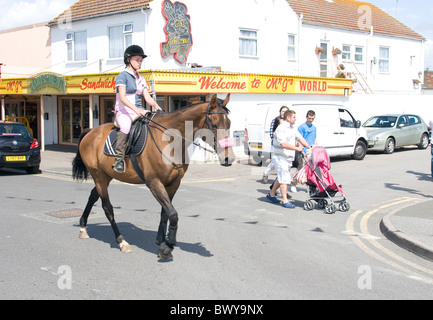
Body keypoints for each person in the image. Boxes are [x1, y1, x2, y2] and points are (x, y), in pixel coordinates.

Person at [113, 45, 162, 173]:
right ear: (129, 60)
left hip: (140, 110)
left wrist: (157, 106)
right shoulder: (122, 76)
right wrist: (136, 109)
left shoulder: (141, 78)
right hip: (124, 110)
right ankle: (119, 159)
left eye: (141, 60)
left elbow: (147, 98)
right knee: (126, 127)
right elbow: (123, 98)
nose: (140, 63)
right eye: (137, 60)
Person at [267, 109, 311, 208]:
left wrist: (310, 148)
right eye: (294, 117)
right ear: (288, 118)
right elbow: (283, 144)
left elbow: (300, 138)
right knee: (284, 178)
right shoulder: (281, 128)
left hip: (287, 157)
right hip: (279, 156)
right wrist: (297, 148)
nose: (296, 119)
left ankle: (271, 194)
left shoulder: (292, 128)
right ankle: (284, 200)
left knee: (282, 177)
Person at [291, 110, 318, 192]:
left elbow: (314, 139)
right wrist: (300, 149)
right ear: (306, 117)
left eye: (312, 118)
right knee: (301, 168)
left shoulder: (314, 128)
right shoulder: (302, 127)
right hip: (303, 151)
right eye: (309, 118)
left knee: (311, 170)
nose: (311, 120)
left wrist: (316, 148)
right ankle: (293, 183)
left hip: (311, 151)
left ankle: (311, 187)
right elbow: (298, 139)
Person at [262, 105, 289, 183]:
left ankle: (280, 179)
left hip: (286, 145)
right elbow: (272, 134)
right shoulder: (276, 120)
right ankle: (267, 174)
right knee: (275, 162)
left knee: (282, 163)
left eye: (286, 111)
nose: (284, 113)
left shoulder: (288, 121)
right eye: (283, 111)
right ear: (280, 112)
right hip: (276, 145)